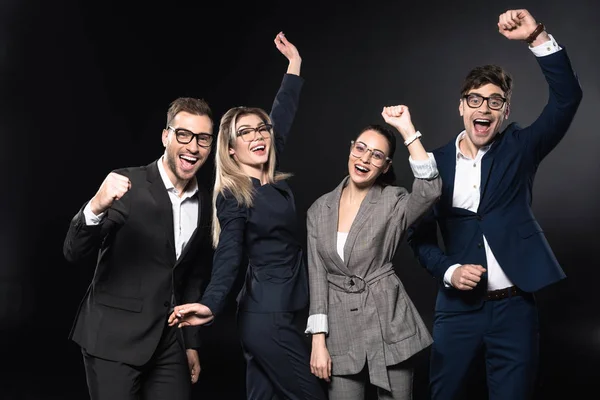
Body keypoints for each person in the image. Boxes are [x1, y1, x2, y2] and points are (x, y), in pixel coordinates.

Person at [406, 9, 583, 400]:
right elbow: (417, 238)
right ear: (461, 107)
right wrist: (450, 270)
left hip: (514, 309)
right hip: (457, 310)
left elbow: (568, 98)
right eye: (475, 99)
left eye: (494, 102)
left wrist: (536, 36)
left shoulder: (520, 148)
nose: (483, 108)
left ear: (504, 113)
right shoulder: (433, 164)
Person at [168, 33, 326, 400]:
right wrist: (210, 303)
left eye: (261, 129)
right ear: (231, 148)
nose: (258, 136)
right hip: (266, 317)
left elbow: (281, 118)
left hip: (285, 308)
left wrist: (295, 66)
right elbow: (228, 255)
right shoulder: (234, 194)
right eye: (245, 132)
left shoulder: (268, 171)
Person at [63, 94, 215, 399]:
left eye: (203, 138)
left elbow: (192, 277)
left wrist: (191, 342)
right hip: (112, 339)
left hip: (167, 341)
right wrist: (95, 205)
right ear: (165, 137)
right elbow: (73, 251)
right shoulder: (127, 184)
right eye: (183, 135)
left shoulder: (206, 201)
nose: (193, 147)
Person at [305, 106, 441, 399]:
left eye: (376, 155)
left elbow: (430, 191)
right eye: (361, 148)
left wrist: (407, 130)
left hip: (389, 322)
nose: (365, 159)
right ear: (351, 149)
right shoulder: (319, 209)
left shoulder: (394, 200)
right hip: (339, 332)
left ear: (386, 165)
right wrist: (318, 342)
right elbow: (317, 278)